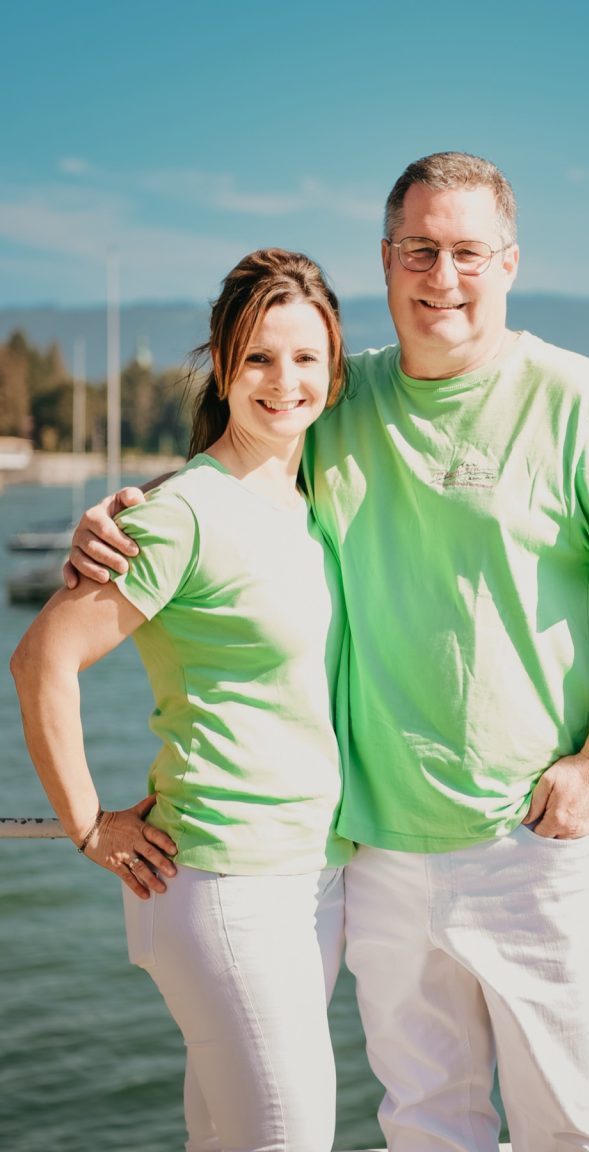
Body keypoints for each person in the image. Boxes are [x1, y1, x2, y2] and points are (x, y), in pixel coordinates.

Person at [67, 152, 589, 1152]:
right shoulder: (339, 394)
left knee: (573, 1131)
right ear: (384, 260)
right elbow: (237, 463)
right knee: (425, 1124)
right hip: (378, 855)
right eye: (419, 249)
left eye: (467, 252)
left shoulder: (579, 400)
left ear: (509, 263)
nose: (442, 276)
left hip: (534, 844)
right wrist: (119, 521)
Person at [12, 248, 355, 1152]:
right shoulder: (182, 513)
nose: (284, 381)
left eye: (307, 358)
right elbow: (41, 661)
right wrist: (88, 825)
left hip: (313, 875)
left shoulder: (310, 508)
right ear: (222, 365)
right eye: (258, 358)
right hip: (223, 879)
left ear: (335, 370)